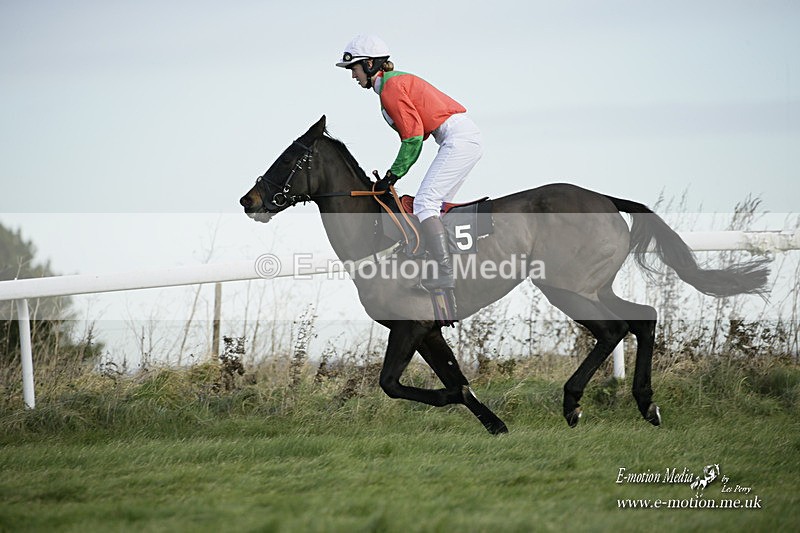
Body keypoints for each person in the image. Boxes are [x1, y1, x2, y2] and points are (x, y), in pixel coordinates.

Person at [335, 34, 483, 324]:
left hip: (457, 138)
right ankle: (444, 265)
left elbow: (414, 137)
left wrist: (393, 174)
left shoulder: (390, 87)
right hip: (459, 138)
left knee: (426, 203)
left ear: (368, 64)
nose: (352, 76)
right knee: (434, 206)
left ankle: (444, 274)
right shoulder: (389, 86)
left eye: (353, 69)